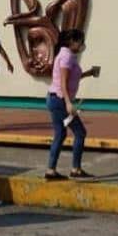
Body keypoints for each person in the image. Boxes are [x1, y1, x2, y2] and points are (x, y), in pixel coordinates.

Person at [45, 29, 99, 180]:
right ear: (72, 42)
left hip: (54, 99)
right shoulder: (67, 56)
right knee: (80, 132)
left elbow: (70, 78)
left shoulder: (66, 55)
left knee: (60, 134)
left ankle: (51, 170)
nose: (82, 44)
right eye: (80, 41)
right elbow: (63, 82)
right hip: (60, 101)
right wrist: (69, 103)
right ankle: (75, 169)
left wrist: (88, 73)